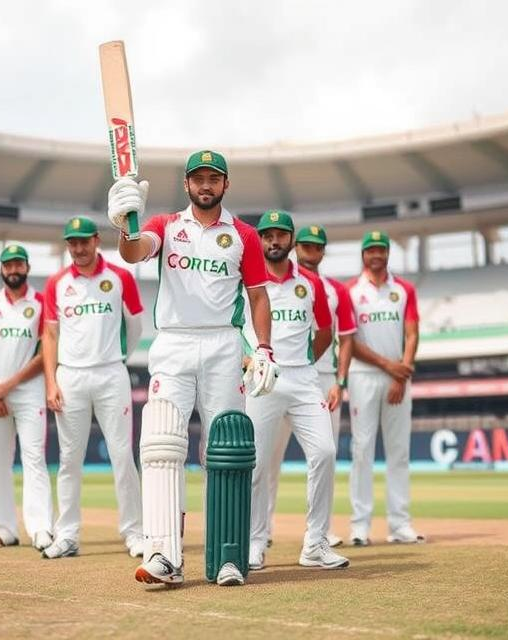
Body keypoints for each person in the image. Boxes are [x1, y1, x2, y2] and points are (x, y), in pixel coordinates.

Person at [109, 150, 277, 586]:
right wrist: (124, 221)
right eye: (198, 178)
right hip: (174, 343)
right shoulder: (166, 226)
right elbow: (133, 251)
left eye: (213, 178)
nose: (206, 185)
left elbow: (259, 296)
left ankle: (228, 556)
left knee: (225, 451)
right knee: (163, 443)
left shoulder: (244, 235)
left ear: (226, 185)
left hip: (224, 342)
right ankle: (164, 554)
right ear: (186, 185)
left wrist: (263, 349)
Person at [244, 210, 349, 571]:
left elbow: (324, 331)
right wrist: (249, 361)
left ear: (291, 240)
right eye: (267, 235)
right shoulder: (248, 283)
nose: (274, 241)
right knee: (256, 465)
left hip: (304, 379)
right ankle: (255, 542)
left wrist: (303, 362)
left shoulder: (310, 283)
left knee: (324, 451)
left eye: (281, 235)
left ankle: (315, 544)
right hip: (262, 380)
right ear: (259, 240)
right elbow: (234, 329)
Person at [41, 216, 144, 559]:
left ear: (97, 240)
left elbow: (135, 325)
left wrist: (119, 357)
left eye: (84, 241)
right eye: (72, 242)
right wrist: (52, 380)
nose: (79, 248)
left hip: (111, 375)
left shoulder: (121, 277)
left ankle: (134, 532)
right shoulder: (56, 283)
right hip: (70, 377)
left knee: (122, 457)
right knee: (69, 460)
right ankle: (67, 534)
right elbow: (50, 334)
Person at [264, 224, 357, 548]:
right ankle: (261, 535)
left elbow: (338, 337)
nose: (310, 251)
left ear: (323, 251)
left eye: (316, 246)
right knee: (266, 461)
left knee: (324, 452)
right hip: (270, 379)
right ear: (296, 246)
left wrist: (337, 381)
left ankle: (320, 535)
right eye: (305, 245)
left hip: (317, 378)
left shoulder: (331, 289)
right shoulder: (258, 281)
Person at [0, 244, 53, 551]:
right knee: (0, 462)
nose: (13, 270)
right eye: (8, 265)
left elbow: (47, 352)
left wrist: (9, 385)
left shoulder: (42, 303)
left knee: (34, 459)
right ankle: (5, 529)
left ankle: (41, 529)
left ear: (28, 268)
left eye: (19, 265)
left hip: (30, 392)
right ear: (1, 269)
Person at [347, 230, 423, 545]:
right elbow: (348, 342)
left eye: (381, 249)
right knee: (362, 450)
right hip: (363, 376)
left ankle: (399, 524)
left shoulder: (404, 289)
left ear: (388, 253)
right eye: (371, 250)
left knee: (399, 452)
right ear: (363, 255)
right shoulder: (351, 290)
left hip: (397, 381)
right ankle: (360, 527)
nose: (376, 255)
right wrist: (390, 367)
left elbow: (412, 334)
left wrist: (399, 374)